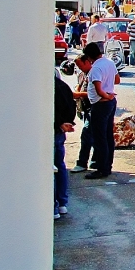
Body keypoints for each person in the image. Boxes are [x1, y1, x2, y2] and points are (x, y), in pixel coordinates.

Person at [82, 43, 120, 179]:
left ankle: (101, 169)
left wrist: (106, 94)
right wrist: (108, 87)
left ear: (89, 56)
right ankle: (107, 166)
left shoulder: (96, 68)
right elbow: (117, 79)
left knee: (100, 138)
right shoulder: (109, 62)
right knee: (108, 135)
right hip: (110, 103)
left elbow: (98, 89)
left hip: (101, 104)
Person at [54, 73, 76, 219]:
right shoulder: (64, 87)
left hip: (53, 130)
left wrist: (60, 123)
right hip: (60, 132)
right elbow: (72, 105)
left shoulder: (45, 88)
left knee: (49, 169)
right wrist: (67, 122)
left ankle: (54, 207)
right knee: (60, 166)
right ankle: (62, 203)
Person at [69, 55, 94, 173]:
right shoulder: (83, 74)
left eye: (80, 65)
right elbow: (80, 87)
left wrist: (78, 95)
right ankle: (94, 162)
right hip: (85, 108)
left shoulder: (93, 74)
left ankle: (82, 163)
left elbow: (93, 93)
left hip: (93, 108)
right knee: (92, 136)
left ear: (87, 62)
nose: (80, 68)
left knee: (86, 135)